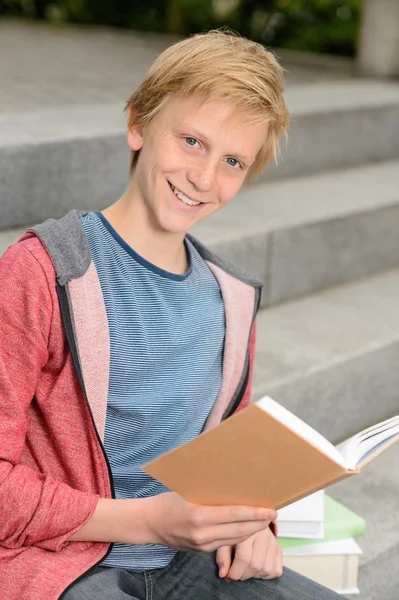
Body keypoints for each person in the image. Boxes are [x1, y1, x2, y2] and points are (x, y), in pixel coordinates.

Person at [0, 29, 342, 600]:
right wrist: (150, 522)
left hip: (193, 560)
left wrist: (256, 524)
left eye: (233, 160)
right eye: (190, 141)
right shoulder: (42, 271)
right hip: (66, 561)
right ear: (138, 125)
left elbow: (231, 458)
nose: (204, 178)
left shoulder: (231, 297)